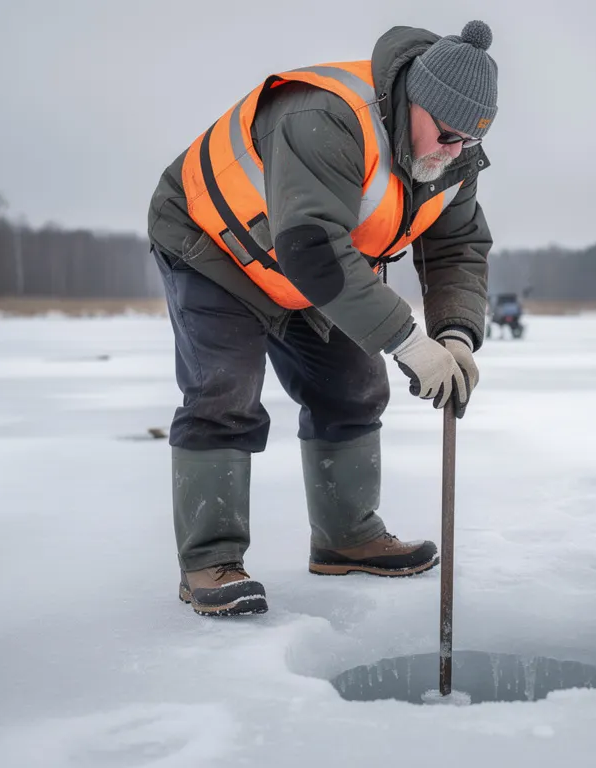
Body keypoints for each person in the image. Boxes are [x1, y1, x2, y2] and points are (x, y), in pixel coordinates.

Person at [146, 21, 499, 617]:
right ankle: (210, 561)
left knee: (354, 387)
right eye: (447, 135)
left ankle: (346, 537)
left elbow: (457, 246)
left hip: (309, 263)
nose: (454, 150)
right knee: (224, 391)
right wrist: (408, 340)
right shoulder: (327, 118)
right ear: (415, 100)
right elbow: (310, 247)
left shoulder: (450, 158)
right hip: (213, 246)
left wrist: (456, 335)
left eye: (470, 141)